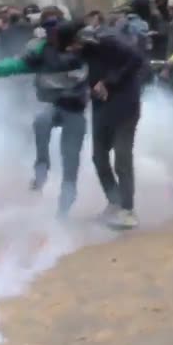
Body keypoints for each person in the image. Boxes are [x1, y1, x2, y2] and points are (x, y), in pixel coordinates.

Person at [0, 9, 91, 217]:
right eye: (48, 28)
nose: (53, 32)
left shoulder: (84, 48)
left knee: (70, 157)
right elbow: (18, 64)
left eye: (56, 26)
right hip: (52, 104)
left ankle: (64, 208)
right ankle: (41, 169)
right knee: (41, 121)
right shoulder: (40, 50)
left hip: (76, 109)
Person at [55, 22, 145, 229]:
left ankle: (128, 210)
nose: (70, 51)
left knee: (122, 157)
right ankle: (115, 202)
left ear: (77, 39)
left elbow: (137, 59)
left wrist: (108, 81)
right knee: (98, 157)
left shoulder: (107, 40)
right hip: (101, 108)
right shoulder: (81, 53)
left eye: (70, 46)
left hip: (125, 107)